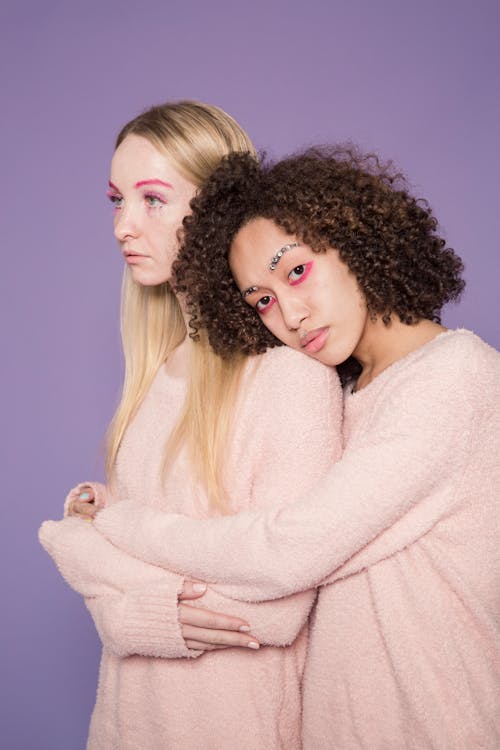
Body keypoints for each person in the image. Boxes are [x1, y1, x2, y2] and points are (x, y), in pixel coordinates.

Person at [90, 148, 500, 749]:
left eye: (297, 271)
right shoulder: (349, 393)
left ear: (355, 239)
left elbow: (285, 553)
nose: (290, 313)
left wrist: (118, 525)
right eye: (260, 299)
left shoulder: (455, 377)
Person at [39, 107, 343, 750]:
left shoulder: (290, 381)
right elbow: (169, 570)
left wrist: (86, 551)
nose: (124, 225)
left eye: (153, 200)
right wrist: (133, 605)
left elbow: (278, 606)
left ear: (215, 208)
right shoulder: (155, 379)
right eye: (118, 200)